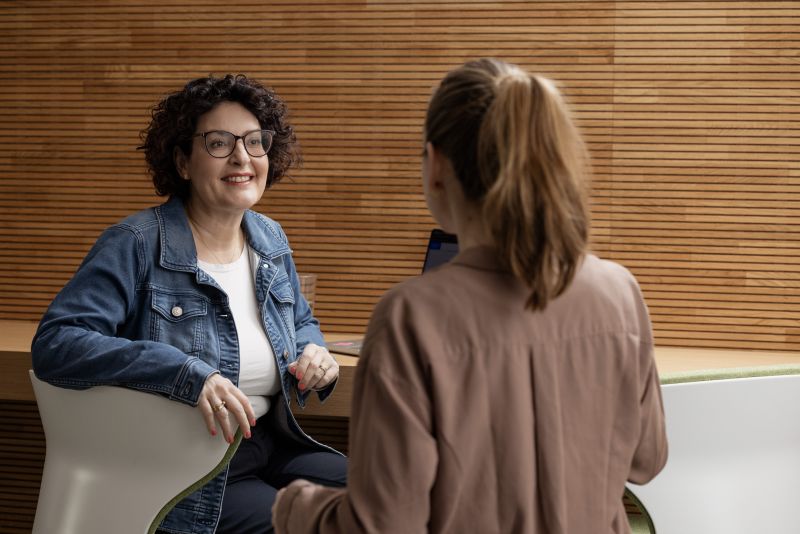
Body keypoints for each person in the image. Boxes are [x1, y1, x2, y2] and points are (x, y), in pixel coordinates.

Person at [271, 58, 668, 533]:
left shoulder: (410, 316)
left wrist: (296, 508)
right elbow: (646, 459)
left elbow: (383, 526)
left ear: (436, 164)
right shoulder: (619, 291)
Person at [31, 74, 347, 534]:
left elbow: (300, 320)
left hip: (272, 444)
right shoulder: (136, 242)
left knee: (387, 498)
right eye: (219, 143)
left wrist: (314, 352)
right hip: (188, 468)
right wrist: (183, 372)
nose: (242, 157)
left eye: (254, 142)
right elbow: (58, 342)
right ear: (182, 162)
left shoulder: (269, 238)